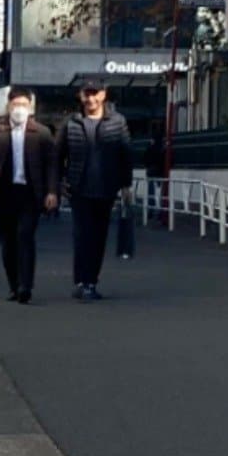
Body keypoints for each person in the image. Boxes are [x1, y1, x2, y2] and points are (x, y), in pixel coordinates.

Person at [0, 87, 59, 304]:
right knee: (8, 242)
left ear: (30, 108)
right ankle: (14, 284)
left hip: (30, 193)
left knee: (25, 236)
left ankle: (25, 286)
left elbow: (52, 164)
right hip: (3, 193)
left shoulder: (41, 133)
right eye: (15, 105)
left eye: (23, 105)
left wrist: (52, 191)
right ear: (8, 106)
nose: (19, 109)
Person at [60, 78, 134, 300]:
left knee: (99, 237)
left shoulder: (117, 121)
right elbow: (58, 154)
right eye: (87, 93)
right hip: (78, 189)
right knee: (82, 235)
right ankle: (82, 281)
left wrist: (126, 185)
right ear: (80, 96)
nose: (91, 98)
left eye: (95, 93)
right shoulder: (72, 122)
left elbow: (125, 154)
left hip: (106, 189)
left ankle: (90, 281)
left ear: (103, 95)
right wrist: (59, 182)